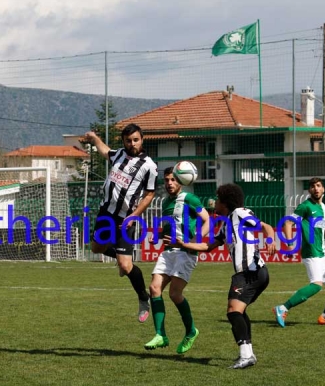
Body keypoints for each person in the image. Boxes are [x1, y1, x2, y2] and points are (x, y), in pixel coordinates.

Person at [171, 183, 275, 369]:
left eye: (218, 199)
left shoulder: (240, 213)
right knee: (239, 311)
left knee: (233, 311)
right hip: (249, 274)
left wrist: (269, 240)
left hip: (251, 272)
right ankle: (248, 354)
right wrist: (183, 245)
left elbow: (266, 226)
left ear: (226, 202)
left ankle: (246, 355)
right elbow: (207, 246)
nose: (215, 202)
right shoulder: (226, 224)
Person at [84, 124, 158, 323]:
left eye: (136, 140)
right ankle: (119, 256)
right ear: (124, 141)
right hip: (106, 214)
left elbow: (149, 195)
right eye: (128, 140)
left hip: (126, 219)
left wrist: (133, 216)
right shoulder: (118, 155)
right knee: (96, 248)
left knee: (125, 266)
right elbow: (104, 150)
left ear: (142, 139)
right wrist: (94, 138)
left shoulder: (149, 166)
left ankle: (143, 298)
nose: (132, 143)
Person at [143, 167, 210, 354]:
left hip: (185, 253)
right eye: (166, 180)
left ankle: (191, 331)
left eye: (173, 180)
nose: (169, 183)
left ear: (181, 181)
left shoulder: (190, 199)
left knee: (174, 294)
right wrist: (157, 235)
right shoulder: (165, 202)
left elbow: (207, 220)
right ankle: (160, 335)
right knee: (154, 288)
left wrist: (193, 241)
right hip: (168, 252)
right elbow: (168, 227)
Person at [273, 177, 325, 327]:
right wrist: (290, 244)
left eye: (319, 186)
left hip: (323, 253)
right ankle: (282, 308)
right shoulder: (305, 206)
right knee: (316, 285)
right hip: (311, 253)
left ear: (323, 189)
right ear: (309, 190)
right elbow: (288, 223)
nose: (316, 189)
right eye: (313, 186)